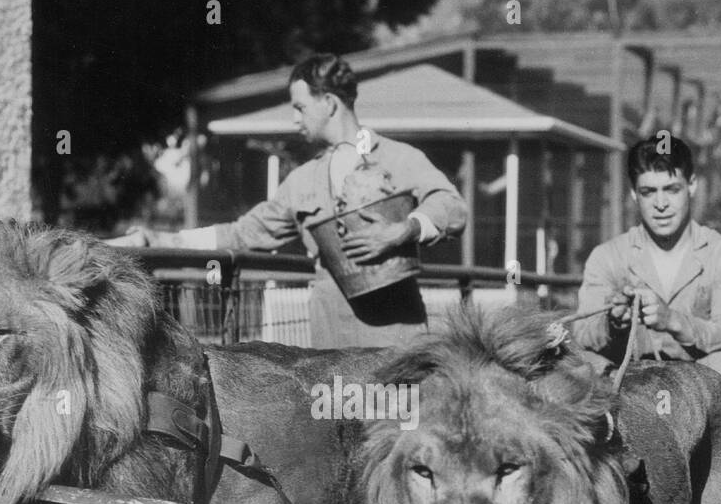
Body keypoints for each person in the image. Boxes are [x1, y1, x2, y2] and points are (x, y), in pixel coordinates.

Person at [110, 53, 467, 348]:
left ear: (328, 103)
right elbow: (242, 234)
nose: (294, 119)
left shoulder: (399, 158)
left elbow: (452, 207)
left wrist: (405, 229)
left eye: (300, 107)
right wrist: (157, 240)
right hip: (332, 349)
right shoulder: (302, 181)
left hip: (399, 343)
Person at [570, 134, 721, 481]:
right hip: (635, 389)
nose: (661, 204)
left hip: (703, 390)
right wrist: (613, 322)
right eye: (649, 192)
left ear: (692, 186)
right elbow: (582, 335)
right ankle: (580, 487)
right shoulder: (608, 257)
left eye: (672, 189)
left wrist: (673, 321)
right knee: (577, 369)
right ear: (634, 194)